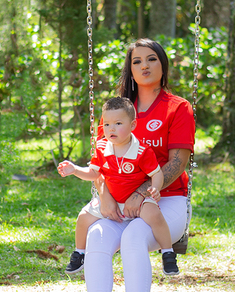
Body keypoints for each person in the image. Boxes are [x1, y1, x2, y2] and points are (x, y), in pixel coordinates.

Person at [77, 39, 195, 292]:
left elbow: (178, 162)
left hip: (166, 202)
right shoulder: (116, 110)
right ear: (130, 69)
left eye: (151, 59)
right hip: (117, 202)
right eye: (137, 61)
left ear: (163, 65)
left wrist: (142, 193)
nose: (144, 66)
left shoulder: (177, 107)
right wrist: (103, 195)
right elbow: (101, 163)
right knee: (96, 235)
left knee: (134, 236)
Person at [57, 96, 178, 276]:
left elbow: (157, 174)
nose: (111, 129)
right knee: (83, 217)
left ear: (133, 125)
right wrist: (75, 170)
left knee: (155, 216)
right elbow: (93, 173)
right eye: (106, 124)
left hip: (136, 201)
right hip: (112, 200)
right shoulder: (101, 147)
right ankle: (79, 252)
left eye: (118, 123)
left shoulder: (142, 151)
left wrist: (155, 188)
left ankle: (168, 253)